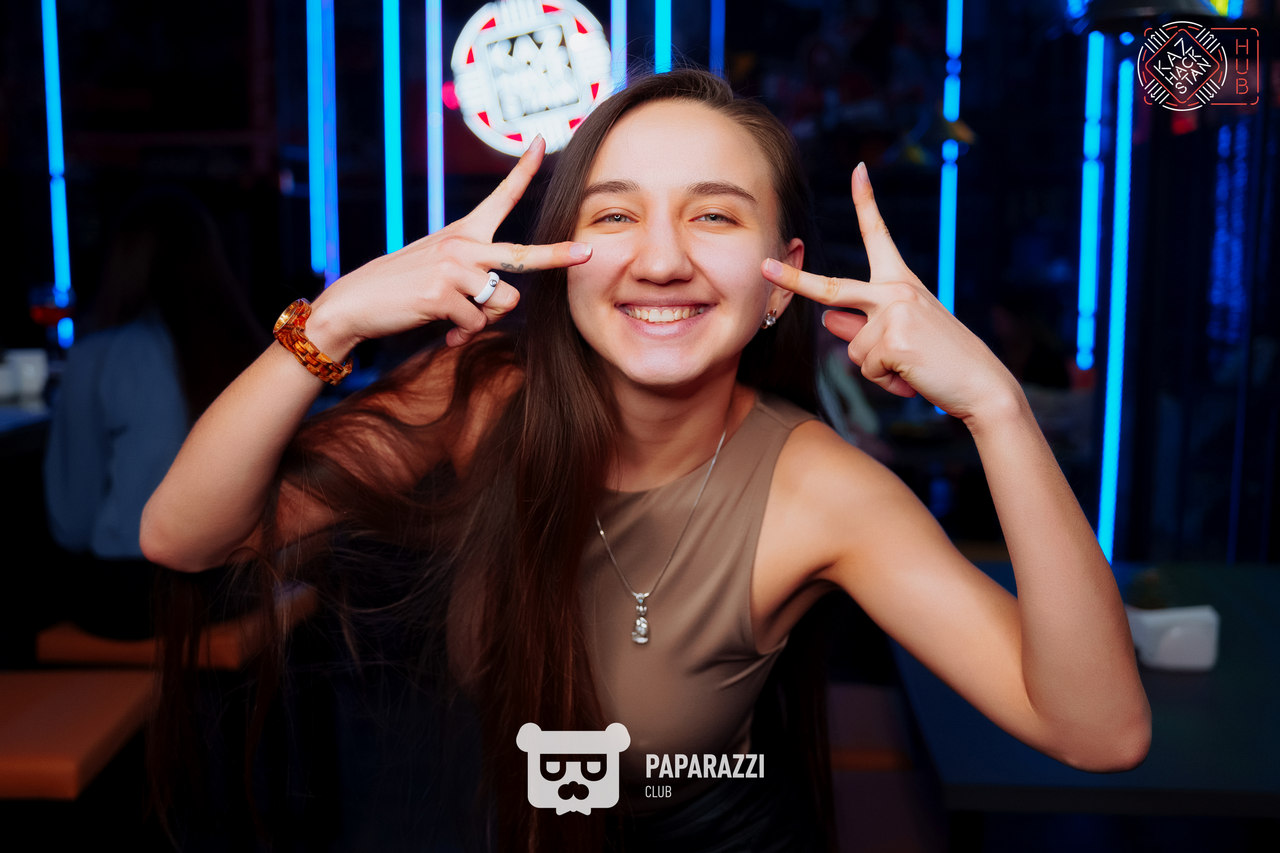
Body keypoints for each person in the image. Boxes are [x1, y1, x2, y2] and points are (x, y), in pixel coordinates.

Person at [141, 70, 1149, 851]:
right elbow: (185, 536)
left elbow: (1099, 731)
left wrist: (995, 406)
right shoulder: (485, 394)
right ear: (559, 259)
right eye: (615, 214)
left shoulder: (820, 492)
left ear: (780, 282)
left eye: (714, 214)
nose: (660, 260)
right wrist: (335, 320)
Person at [44, 187, 262, 639]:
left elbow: (73, 522)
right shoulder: (250, 352)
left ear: (122, 265)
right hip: (238, 583)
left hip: (136, 595)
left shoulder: (99, 356)